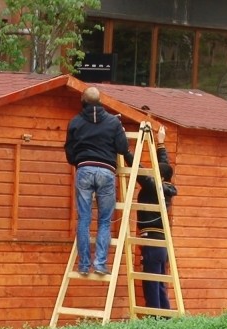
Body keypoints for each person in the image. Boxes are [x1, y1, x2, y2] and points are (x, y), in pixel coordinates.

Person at [64, 87, 133, 276]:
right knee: (104, 220)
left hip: (84, 169)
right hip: (106, 171)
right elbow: (122, 147)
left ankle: (84, 265)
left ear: (82, 100)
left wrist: (80, 160)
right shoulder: (113, 122)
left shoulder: (75, 122)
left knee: (84, 219)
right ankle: (100, 264)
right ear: (100, 101)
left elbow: (70, 154)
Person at [137, 126, 177, 309]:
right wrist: (160, 142)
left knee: (151, 285)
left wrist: (125, 150)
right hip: (161, 243)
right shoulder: (165, 185)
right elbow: (164, 165)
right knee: (160, 285)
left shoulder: (154, 186)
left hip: (152, 243)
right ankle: (165, 318)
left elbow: (139, 171)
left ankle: (155, 320)